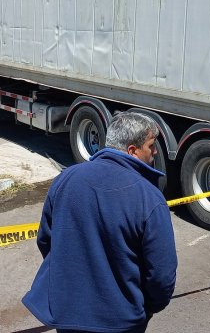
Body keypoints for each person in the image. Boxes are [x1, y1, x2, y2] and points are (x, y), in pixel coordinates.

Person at [22, 112, 177, 333]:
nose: (154, 153)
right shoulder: (149, 197)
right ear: (132, 151)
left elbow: (46, 241)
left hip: (68, 315)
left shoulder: (66, 179)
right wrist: (147, 308)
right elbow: (161, 274)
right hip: (121, 321)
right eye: (151, 146)